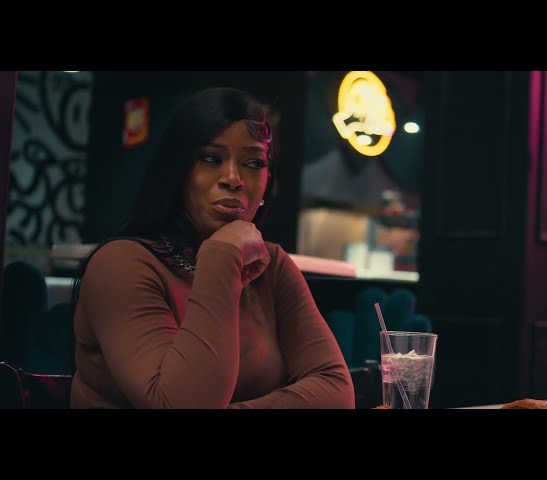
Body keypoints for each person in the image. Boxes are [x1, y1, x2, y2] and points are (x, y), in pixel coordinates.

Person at [70, 87, 355, 408]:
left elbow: (335, 390)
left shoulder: (271, 263)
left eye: (253, 162)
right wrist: (221, 257)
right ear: (177, 172)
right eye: (210, 158)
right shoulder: (120, 264)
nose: (233, 178)